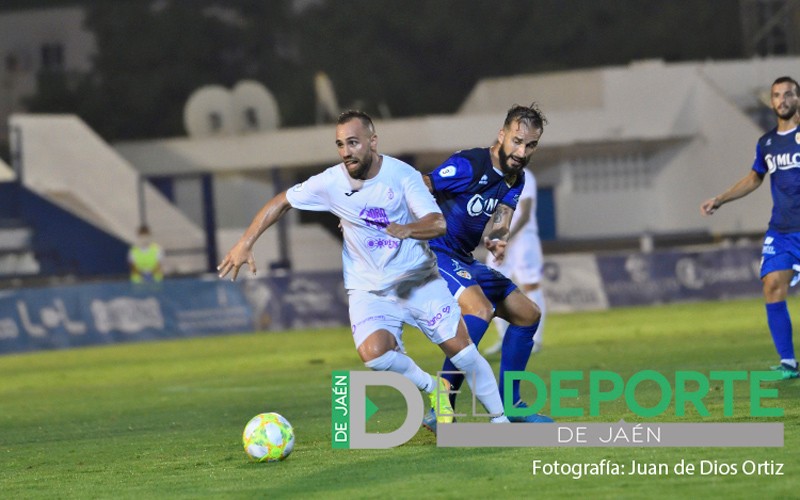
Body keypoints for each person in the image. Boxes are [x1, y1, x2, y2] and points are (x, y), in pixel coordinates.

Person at [217, 110, 509, 426]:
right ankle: (431, 386)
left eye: (353, 142)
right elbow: (282, 200)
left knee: (463, 354)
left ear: (372, 141)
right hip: (369, 288)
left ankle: (500, 422)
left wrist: (408, 228)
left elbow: (437, 222)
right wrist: (246, 242)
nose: (346, 152)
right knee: (374, 354)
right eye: (340, 144)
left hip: (418, 279)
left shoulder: (402, 175)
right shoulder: (330, 182)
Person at [422, 103, 553, 427]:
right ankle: (441, 405)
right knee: (479, 310)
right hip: (433, 252)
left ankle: (513, 405)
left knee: (527, 314)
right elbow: (424, 184)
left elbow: (503, 216)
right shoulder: (470, 164)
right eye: (517, 141)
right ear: (502, 135)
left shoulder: (515, 178)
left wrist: (498, 236)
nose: (522, 151)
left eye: (531, 144)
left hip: (463, 258)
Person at [700, 76, 800, 380]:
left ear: (798, 99)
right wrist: (721, 199)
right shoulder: (767, 143)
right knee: (771, 285)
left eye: (788, 95)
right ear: (771, 102)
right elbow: (754, 178)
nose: (782, 100)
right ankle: (789, 363)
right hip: (782, 231)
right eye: (776, 96)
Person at [482, 166, 546, 356]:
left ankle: (534, 340)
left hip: (524, 239)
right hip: (500, 239)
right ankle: (503, 339)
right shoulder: (495, 178)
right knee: (492, 289)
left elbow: (525, 214)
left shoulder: (525, 176)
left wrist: (506, 237)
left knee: (531, 286)